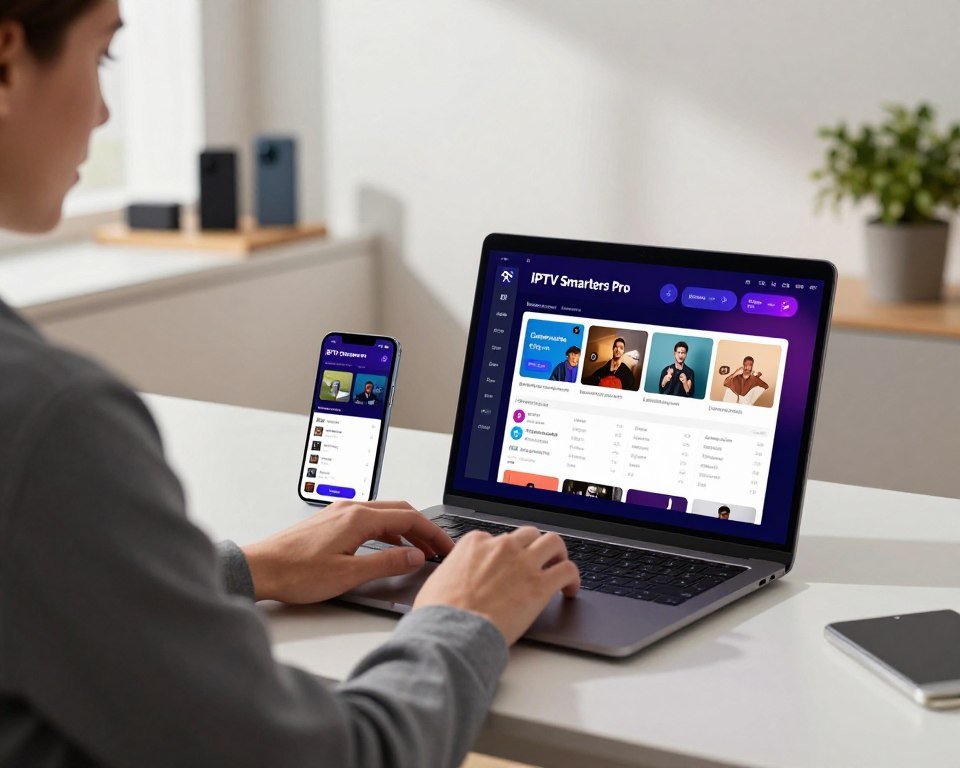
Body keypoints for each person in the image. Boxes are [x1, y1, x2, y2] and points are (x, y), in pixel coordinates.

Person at [0, 3, 580, 767]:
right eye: (102, 56)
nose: (105, 112)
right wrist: (463, 616)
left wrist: (246, 569)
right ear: (6, 59)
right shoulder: (51, 422)